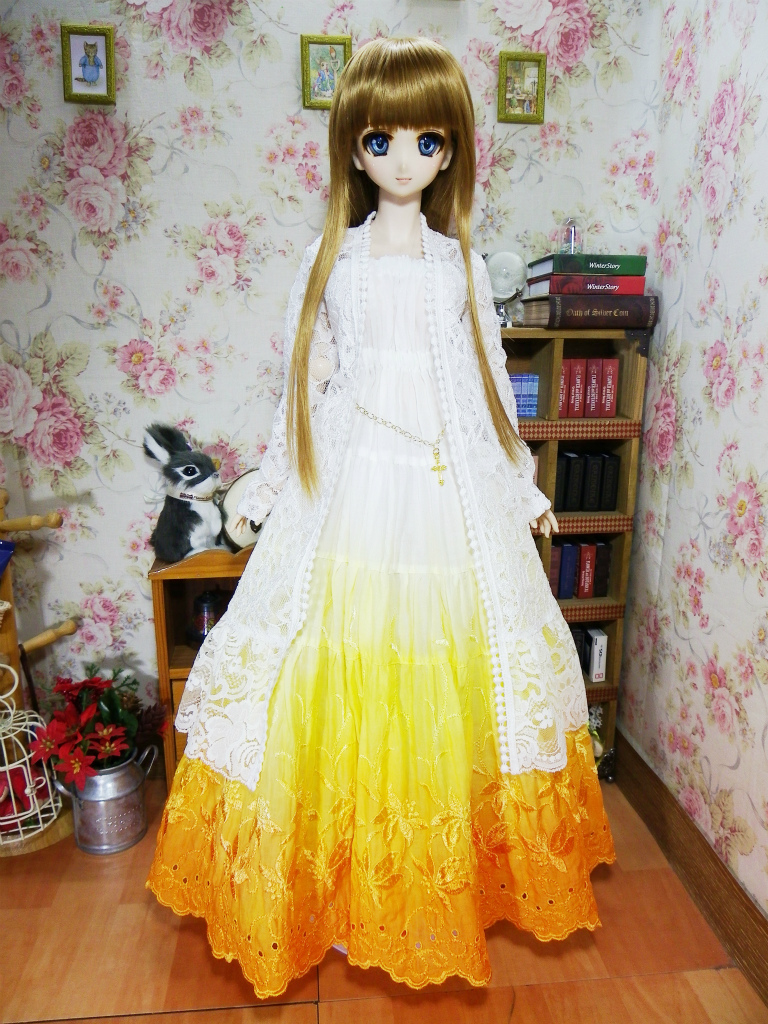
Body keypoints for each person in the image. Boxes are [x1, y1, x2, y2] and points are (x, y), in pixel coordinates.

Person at [147, 36, 615, 997]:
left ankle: (428, 888)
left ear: (451, 152)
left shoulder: (459, 266)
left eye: (427, 142)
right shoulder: (332, 261)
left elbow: (486, 388)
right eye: (383, 141)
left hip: (444, 492)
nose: (404, 161)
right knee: (325, 673)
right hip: (352, 488)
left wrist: (522, 487)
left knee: (451, 678)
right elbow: (304, 388)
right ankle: (334, 889)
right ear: (355, 149)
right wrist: (265, 488)